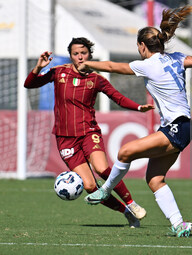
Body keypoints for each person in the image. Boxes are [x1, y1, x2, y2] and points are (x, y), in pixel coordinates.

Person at [80, 5, 192, 237]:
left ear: (142, 46)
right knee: (155, 180)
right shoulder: (176, 58)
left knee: (125, 152)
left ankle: (106, 190)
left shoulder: (146, 65)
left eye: (139, 46)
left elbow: (113, 67)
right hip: (183, 126)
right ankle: (179, 224)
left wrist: (88, 65)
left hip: (175, 127)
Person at [24, 37, 154, 228]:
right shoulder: (58, 73)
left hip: (88, 132)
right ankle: (125, 212)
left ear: (90, 55)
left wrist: (138, 107)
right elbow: (29, 84)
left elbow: (117, 97)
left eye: (83, 53)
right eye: (75, 53)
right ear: (71, 56)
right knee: (90, 186)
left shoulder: (96, 80)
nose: (80, 57)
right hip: (65, 138)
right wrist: (37, 68)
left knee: (102, 169)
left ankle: (131, 203)